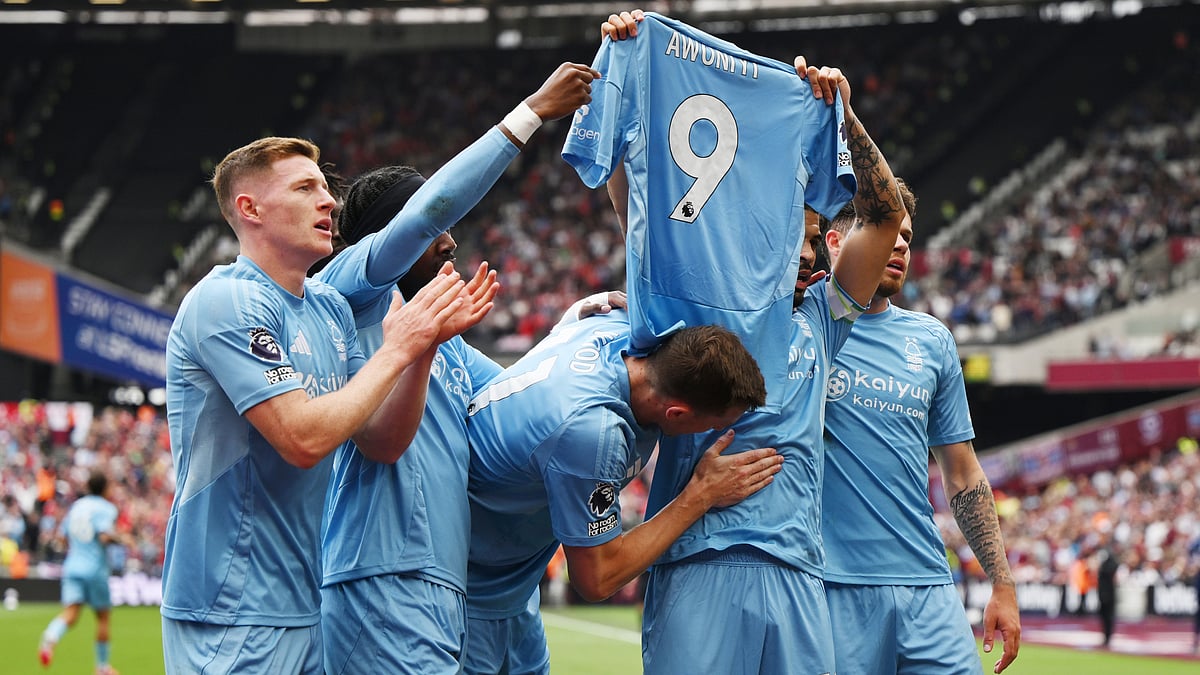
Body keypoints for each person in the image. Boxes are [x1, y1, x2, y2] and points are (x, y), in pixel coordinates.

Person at [593, 11, 906, 674]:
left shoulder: (821, 322)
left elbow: (885, 216)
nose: (803, 244)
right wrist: (623, 63)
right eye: (791, 224)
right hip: (697, 560)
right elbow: (635, 199)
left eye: (816, 232)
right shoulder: (694, 295)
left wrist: (843, 113)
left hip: (796, 569)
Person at [314, 62, 602, 675]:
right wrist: (530, 113)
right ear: (381, 242)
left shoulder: (443, 347)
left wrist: (573, 328)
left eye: (447, 229)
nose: (448, 240)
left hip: (445, 586)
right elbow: (422, 216)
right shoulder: (346, 298)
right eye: (431, 230)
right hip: (380, 576)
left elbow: (516, 402)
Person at [161, 136, 484, 674]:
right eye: (305, 187)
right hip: (228, 611)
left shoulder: (330, 308)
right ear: (250, 209)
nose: (329, 201)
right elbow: (301, 439)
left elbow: (382, 441)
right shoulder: (228, 301)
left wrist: (421, 351)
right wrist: (398, 347)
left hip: (303, 605)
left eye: (325, 187)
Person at [463, 316, 784, 675]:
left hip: (513, 589)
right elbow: (597, 578)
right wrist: (700, 495)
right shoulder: (591, 433)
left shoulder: (613, 328)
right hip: (473, 596)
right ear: (676, 412)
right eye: (712, 426)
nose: (712, 434)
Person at [820, 179, 1022, 674]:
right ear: (836, 242)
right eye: (888, 231)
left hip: (928, 585)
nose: (902, 245)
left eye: (909, 237)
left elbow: (963, 473)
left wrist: (1002, 582)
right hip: (831, 585)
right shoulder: (803, 323)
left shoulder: (932, 340)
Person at [38, 470, 130, 675]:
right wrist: (122, 540)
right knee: (103, 618)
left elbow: (62, 538)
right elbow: (105, 536)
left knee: (70, 613)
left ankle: (51, 636)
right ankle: (102, 667)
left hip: (72, 567)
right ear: (105, 488)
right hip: (94, 569)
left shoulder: (77, 506)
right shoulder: (106, 508)